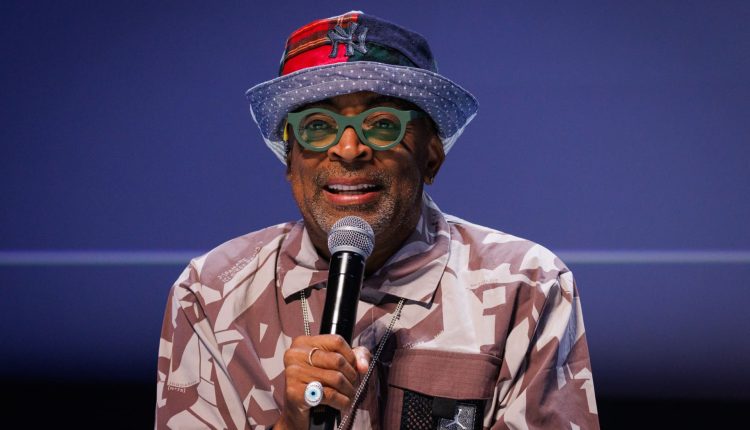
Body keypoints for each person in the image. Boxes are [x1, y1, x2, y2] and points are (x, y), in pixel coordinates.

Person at [155, 10, 599, 430]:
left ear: (431, 155)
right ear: (290, 160)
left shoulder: (528, 286)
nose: (349, 149)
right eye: (317, 125)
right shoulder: (209, 294)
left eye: (383, 124)